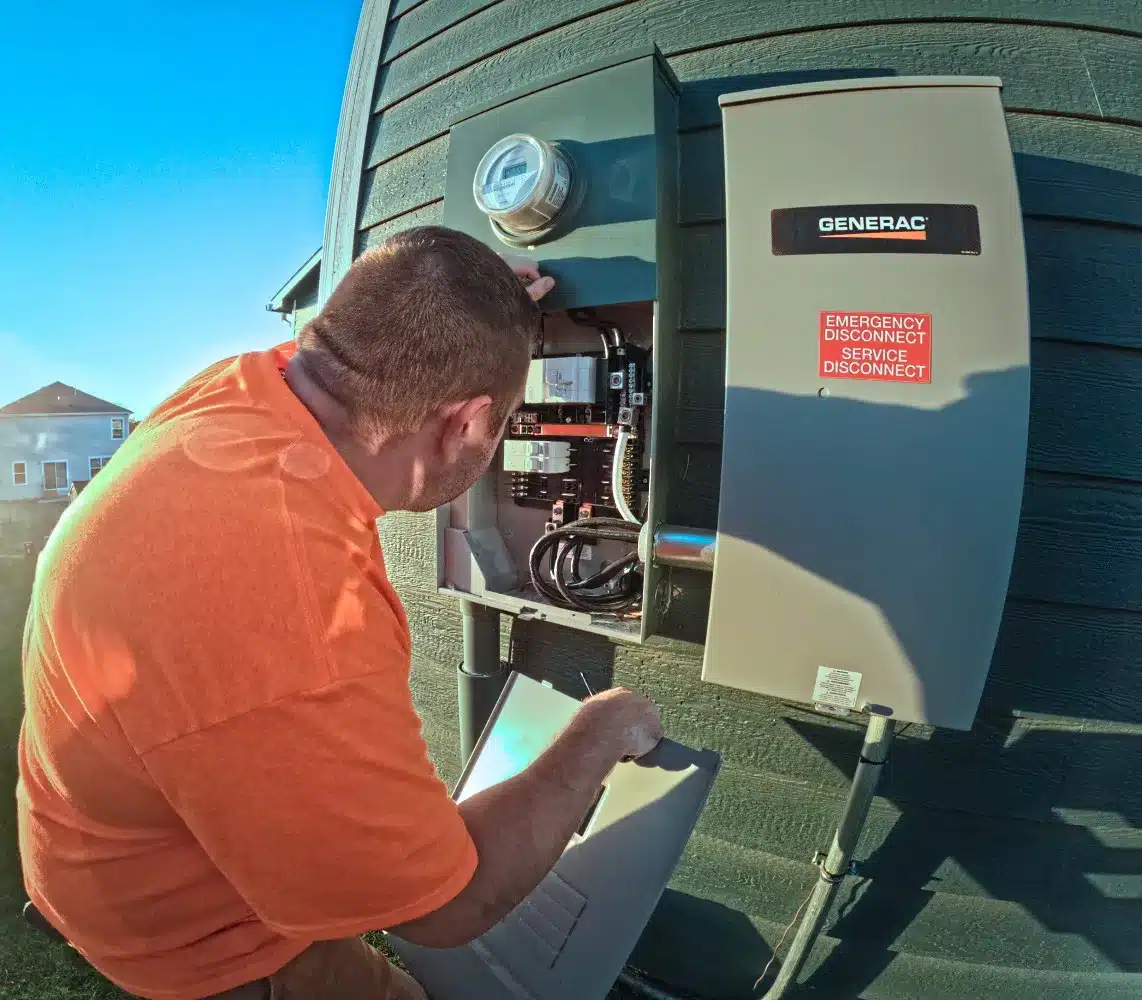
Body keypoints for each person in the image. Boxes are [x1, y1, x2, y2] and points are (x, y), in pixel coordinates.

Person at [17, 226, 664, 1000]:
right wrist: (601, 729)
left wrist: (481, 316)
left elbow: (369, 338)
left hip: (103, 848)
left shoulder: (232, 395)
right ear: (463, 423)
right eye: (502, 424)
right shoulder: (292, 605)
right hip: (198, 944)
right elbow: (448, 905)